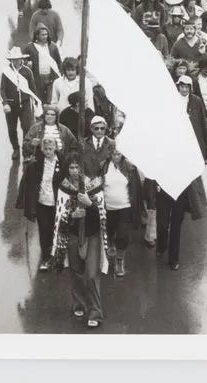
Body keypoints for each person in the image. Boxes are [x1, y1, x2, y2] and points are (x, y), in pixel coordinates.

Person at [52, 157, 107, 328]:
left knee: (91, 274)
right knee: (76, 272)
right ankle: (79, 304)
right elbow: (60, 213)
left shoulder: (94, 185)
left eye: (77, 167)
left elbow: (102, 214)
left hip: (92, 235)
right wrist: (71, 215)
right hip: (74, 236)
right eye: (71, 167)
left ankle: (95, 312)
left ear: (83, 169)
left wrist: (89, 204)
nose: (75, 171)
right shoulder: (64, 187)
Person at [16, 135, 64, 271]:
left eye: (51, 149)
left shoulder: (62, 162)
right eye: (46, 149)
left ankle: (57, 255)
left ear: (55, 148)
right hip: (42, 202)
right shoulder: (36, 164)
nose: (48, 151)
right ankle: (46, 257)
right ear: (42, 149)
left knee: (57, 230)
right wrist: (24, 202)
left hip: (57, 203)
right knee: (44, 230)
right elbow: (27, 183)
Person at [103, 149, 141, 277]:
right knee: (110, 230)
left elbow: (136, 188)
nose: (116, 157)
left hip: (125, 206)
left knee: (123, 234)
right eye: (113, 154)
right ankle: (111, 243)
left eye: (118, 154)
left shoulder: (130, 168)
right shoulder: (103, 166)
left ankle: (120, 261)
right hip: (108, 207)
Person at [0, 47, 39, 161]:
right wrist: (5, 103)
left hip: (25, 104)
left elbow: (32, 88)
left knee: (27, 127)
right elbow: (1, 89)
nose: (17, 61)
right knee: (12, 129)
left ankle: (26, 151)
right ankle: (15, 149)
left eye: (18, 59)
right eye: (14, 59)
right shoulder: (5, 72)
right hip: (11, 106)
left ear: (22, 59)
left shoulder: (27, 71)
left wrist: (36, 102)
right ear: (11, 60)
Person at [23, 24, 62, 105]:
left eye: (46, 34)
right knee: (38, 101)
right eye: (42, 35)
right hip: (37, 79)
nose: (45, 36)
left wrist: (60, 76)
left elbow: (59, 62)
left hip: (51, 78)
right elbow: (22, 60)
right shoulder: (30, 47)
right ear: (37, 35)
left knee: (51, 101)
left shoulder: (53, 46)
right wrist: (27, 63)